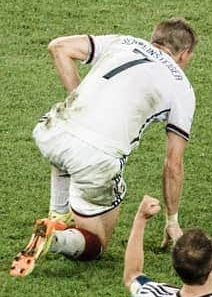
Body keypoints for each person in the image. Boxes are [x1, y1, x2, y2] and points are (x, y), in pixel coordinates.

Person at [11, 18, 198, 278]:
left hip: (51, 131)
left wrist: (79, 99)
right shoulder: (182, 88)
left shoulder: (122, 41)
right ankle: (54, 239)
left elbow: (59, 47)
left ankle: (58, 214)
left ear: (155, 37)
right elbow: (173, 165)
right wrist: (172, 220)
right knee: (96, 243)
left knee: (68, 149)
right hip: (94, 158)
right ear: (185, 54)